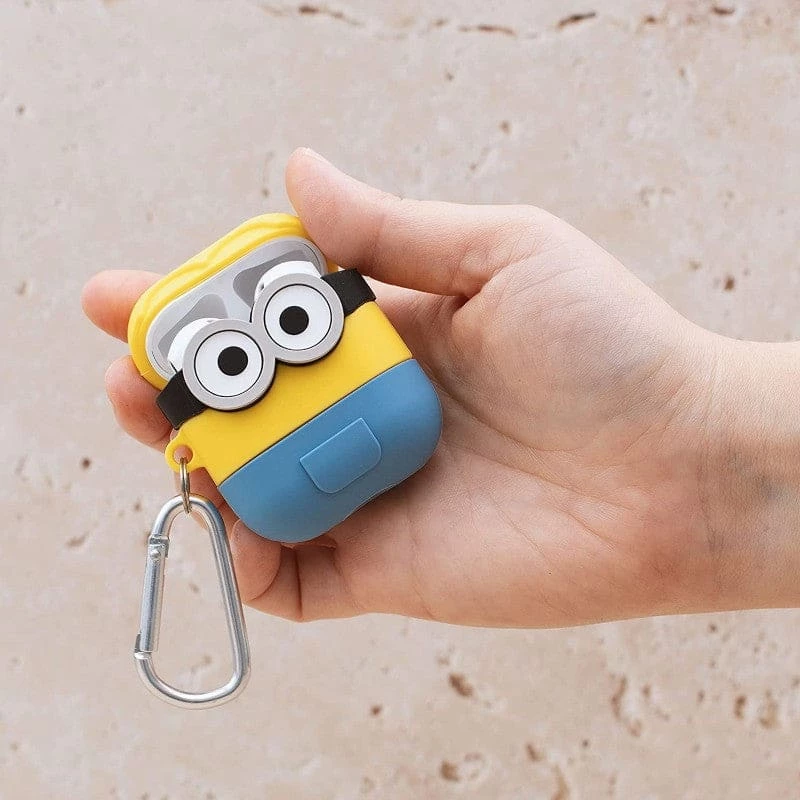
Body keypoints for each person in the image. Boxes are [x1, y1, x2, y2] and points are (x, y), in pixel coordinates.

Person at [81, 148, 800, 628]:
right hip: (334, 452)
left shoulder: (406, 419)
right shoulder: (395, 424)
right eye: (226, 362)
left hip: (358, 441)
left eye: (294, 315)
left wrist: (692, 437)